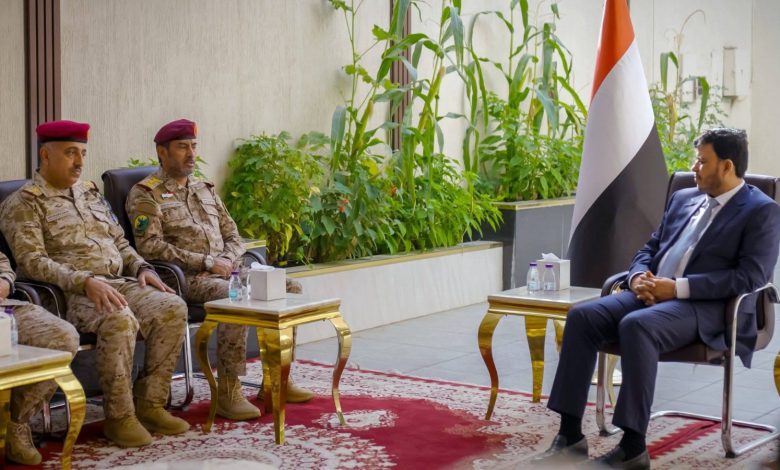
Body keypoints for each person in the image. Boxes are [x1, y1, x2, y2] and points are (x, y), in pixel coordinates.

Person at [534, 128, 780, 469]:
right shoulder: (684, 198)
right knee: (582, 317)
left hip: (710, 308)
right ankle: (570, 435)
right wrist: (638, 277)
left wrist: (676, 288)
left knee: (638, 326)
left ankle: (633, 448)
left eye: (702, 161)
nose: (694, 167)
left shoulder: (761, 211)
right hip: (652, 293)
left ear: (726, 166)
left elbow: (749, 277)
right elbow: (649, 248)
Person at [0, 120, 190, 449]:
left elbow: (119, 241)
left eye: (83, 153)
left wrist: (141, 267)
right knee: (119, 318)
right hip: (70, 293)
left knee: (172, 307)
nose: (79, 161)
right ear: (45, 155)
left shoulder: (89, 193)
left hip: (117, 280)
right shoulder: (24, 203)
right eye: (70, 153)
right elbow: (31, 261)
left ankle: (151, 403)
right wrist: (85, 281)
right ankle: (120, 416)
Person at [125, 118, 313, 421]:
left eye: (193, 146)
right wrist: (208, 263)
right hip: (187, 278)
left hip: (228, 270)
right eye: (182, 147)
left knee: (288, 287)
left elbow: (233, 235)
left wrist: (225, 260)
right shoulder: (146, 194)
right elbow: (150, 247)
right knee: (237, 297)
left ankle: (276, 379)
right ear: (162, 152)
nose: (191, 154)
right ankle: (228, 391)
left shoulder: (205, 189)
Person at [0, 252, 79, 465]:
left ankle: (16, 424)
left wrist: (4, 281)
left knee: (63, 338)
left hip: (5, 308)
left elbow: (2, 262)